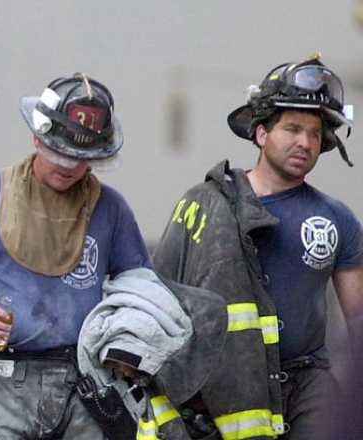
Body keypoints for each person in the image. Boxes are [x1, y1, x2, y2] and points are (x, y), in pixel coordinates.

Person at [153, 55, 363, 440]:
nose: (305, 142)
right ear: (261, 134)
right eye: (293, 129)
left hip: (307, 383)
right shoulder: (208, 204)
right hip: (224, 383)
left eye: (315, 133)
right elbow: (162, 293)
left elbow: (358, 322)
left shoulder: (337, 220)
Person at [0, 73, 152, 439]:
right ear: (37, 136)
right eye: (60, 153)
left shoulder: (111, 209)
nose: (69, 166)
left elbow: (139, 290)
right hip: (6, 382)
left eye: (81, 157)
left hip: (89, 384)